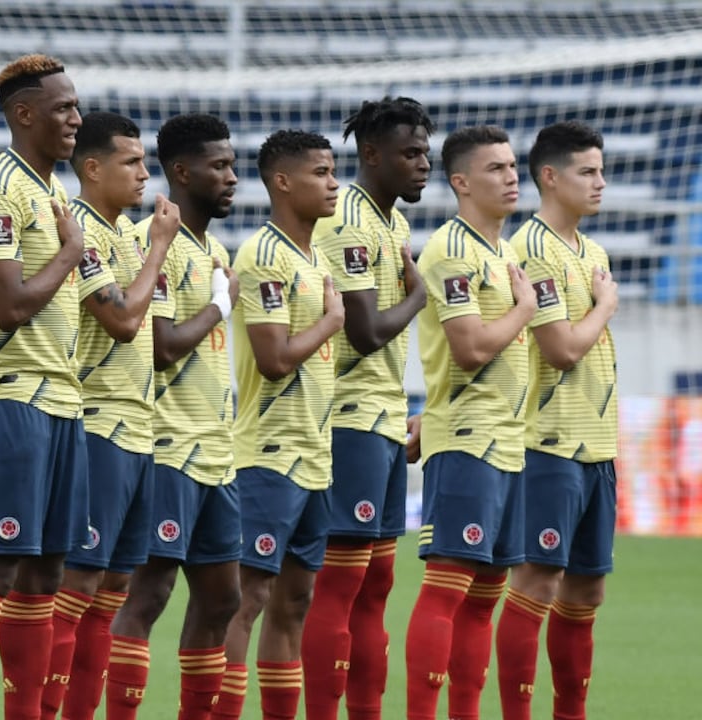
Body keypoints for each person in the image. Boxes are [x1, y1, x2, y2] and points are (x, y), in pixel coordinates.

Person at [0, 54, 87, 720]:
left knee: (49, 575)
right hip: (12, 397)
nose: (76, 119)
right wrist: (69, 253)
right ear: (24, 114)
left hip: (62, 400)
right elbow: (6, 306)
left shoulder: (53, 190)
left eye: (77, 107)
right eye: (63, 108)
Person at [37, 111, 180, 720]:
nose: (146, 173)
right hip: (98, 426)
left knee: (112, 591)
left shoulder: (123, 233)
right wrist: (159, 250)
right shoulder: (84, 231)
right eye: (132, 162)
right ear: (92, 168)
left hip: (140, 428)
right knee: (78, 589)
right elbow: (122, 322)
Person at [105, 113, 240, 720]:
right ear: (181, 173)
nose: (233, 177)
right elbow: (157, 345)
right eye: (220, 166)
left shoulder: (212, 247)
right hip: (168, 447)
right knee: (149, 592)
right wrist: (218, 307)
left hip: (217, 451)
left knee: (222, 600)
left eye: (233, 164)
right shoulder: (144, 241)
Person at [301, 97, 432, 720]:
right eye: (410, 154)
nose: (423, 164)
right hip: (347, 417)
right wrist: (421, 295)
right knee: (341, 582)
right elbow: (365, 332)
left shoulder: (391, 225)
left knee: (377, 583)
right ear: (372, 155)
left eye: (427, 152)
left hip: (381, 416)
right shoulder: (345, 219)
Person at [405, 125, 536, 720]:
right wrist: (527, 309)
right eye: (495, 169)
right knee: (448, 589)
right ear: (460, 182)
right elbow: (470, 348)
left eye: (513, 166)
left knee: (485, 601)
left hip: (508, 443)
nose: (511, 177)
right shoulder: (450, 250)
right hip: (468, 440)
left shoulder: (504, 252)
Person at [216, 130, 345, 720]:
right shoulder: (264, 255)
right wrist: (333, 319)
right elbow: (272, 360)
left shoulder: (312, 256)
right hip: (268, 454)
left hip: (312, 456)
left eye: (334, 171)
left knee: (294, 602)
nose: (334, 183)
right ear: (283, 181)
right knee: (248, 599)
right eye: (321, 172)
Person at [497, 120, 619, 720]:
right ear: (550, 176)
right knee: (537, 583)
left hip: (596, 447)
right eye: (587, 172)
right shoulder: (532, 250)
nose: (601, 183)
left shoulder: (591, 251)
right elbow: (561, 349)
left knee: (587, 591)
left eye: (601, 170)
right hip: (549, 446)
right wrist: (607, 306)